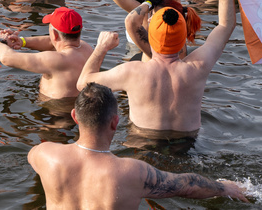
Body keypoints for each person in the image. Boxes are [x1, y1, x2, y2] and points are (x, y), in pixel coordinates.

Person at [77, 0, 240, 139]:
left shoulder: (132, 72)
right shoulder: (198, 67)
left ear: (149, 36)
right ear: (184, 35)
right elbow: (226, 24)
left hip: (143, 144)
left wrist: (101, 47)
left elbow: (83, 83)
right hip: (187, 146)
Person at [28, 83, 248, 209]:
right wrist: (224, 187)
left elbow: (32, 158)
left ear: (75, 116)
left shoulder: (44, 155)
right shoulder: (132, 172)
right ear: (115, 122)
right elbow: (187, 184)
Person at [0, 7, 93, 99]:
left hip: (55, 112)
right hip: (78, 106)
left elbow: (6, 58)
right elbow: (50, 42)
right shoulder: (87, 49)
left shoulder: (56, 60)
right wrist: (22, 41)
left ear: (54, 34)